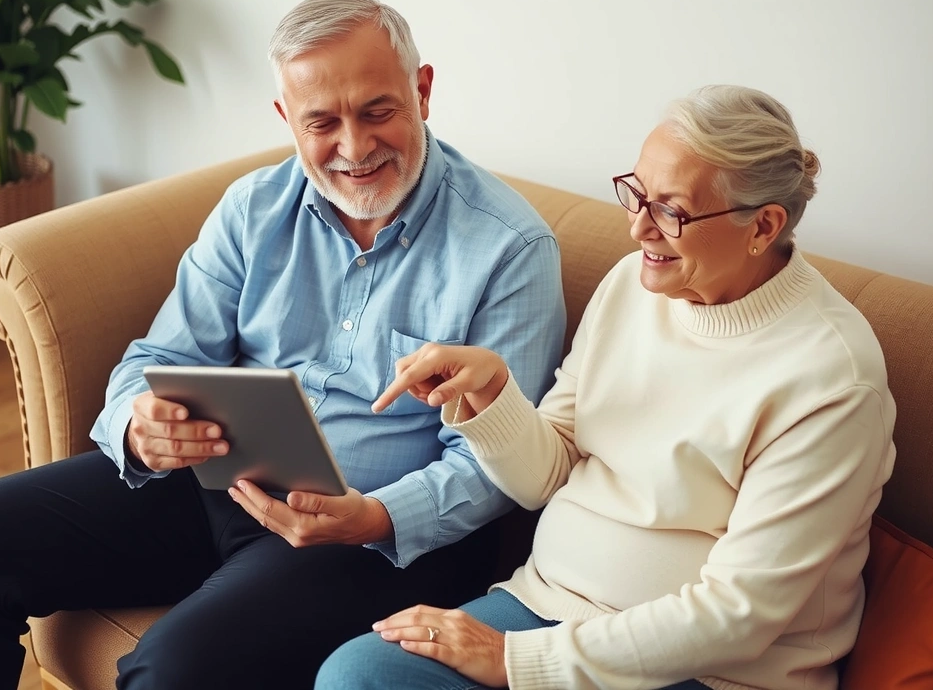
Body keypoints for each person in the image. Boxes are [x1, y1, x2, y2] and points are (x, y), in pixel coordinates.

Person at [0, 0, 566, 689]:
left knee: (173, 669)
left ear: (422, 92)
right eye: (322, 122)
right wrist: (136, 425)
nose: (355, 147)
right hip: (216, 480)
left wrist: (371, 517)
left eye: (377, 111)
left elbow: (495, 470)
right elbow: (159, 358)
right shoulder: (253, 206)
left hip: (381, 538)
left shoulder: (511, 247)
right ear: (287, 119)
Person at [315, 85, 898, 690]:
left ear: (764, 225)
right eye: (636, 194)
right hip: (545, 607)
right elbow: (550, 472)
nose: (638, 229)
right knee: (357, 675)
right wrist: (492, 396)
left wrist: (517, 661)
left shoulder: (832, 379)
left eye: (671, 211)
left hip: (714, 673)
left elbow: (738, 615)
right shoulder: (635, 286)